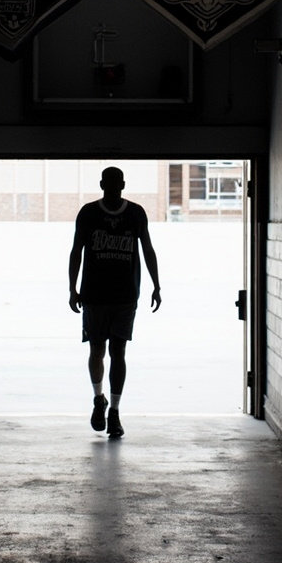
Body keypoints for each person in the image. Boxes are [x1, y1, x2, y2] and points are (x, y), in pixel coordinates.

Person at [68, 166, 161, 438]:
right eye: (108, 182)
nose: (112, 186)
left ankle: (115, 412)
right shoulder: (88, 213)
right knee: (97, 349)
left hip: (124, 295)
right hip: (94, 295)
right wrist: (72, 289)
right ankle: (99, 399)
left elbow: (148, 249)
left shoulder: (135, 213)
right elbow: (76, 251)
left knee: (118, 351)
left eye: (115, 182)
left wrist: (157, 284)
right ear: (101, 184)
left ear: (123, 184)